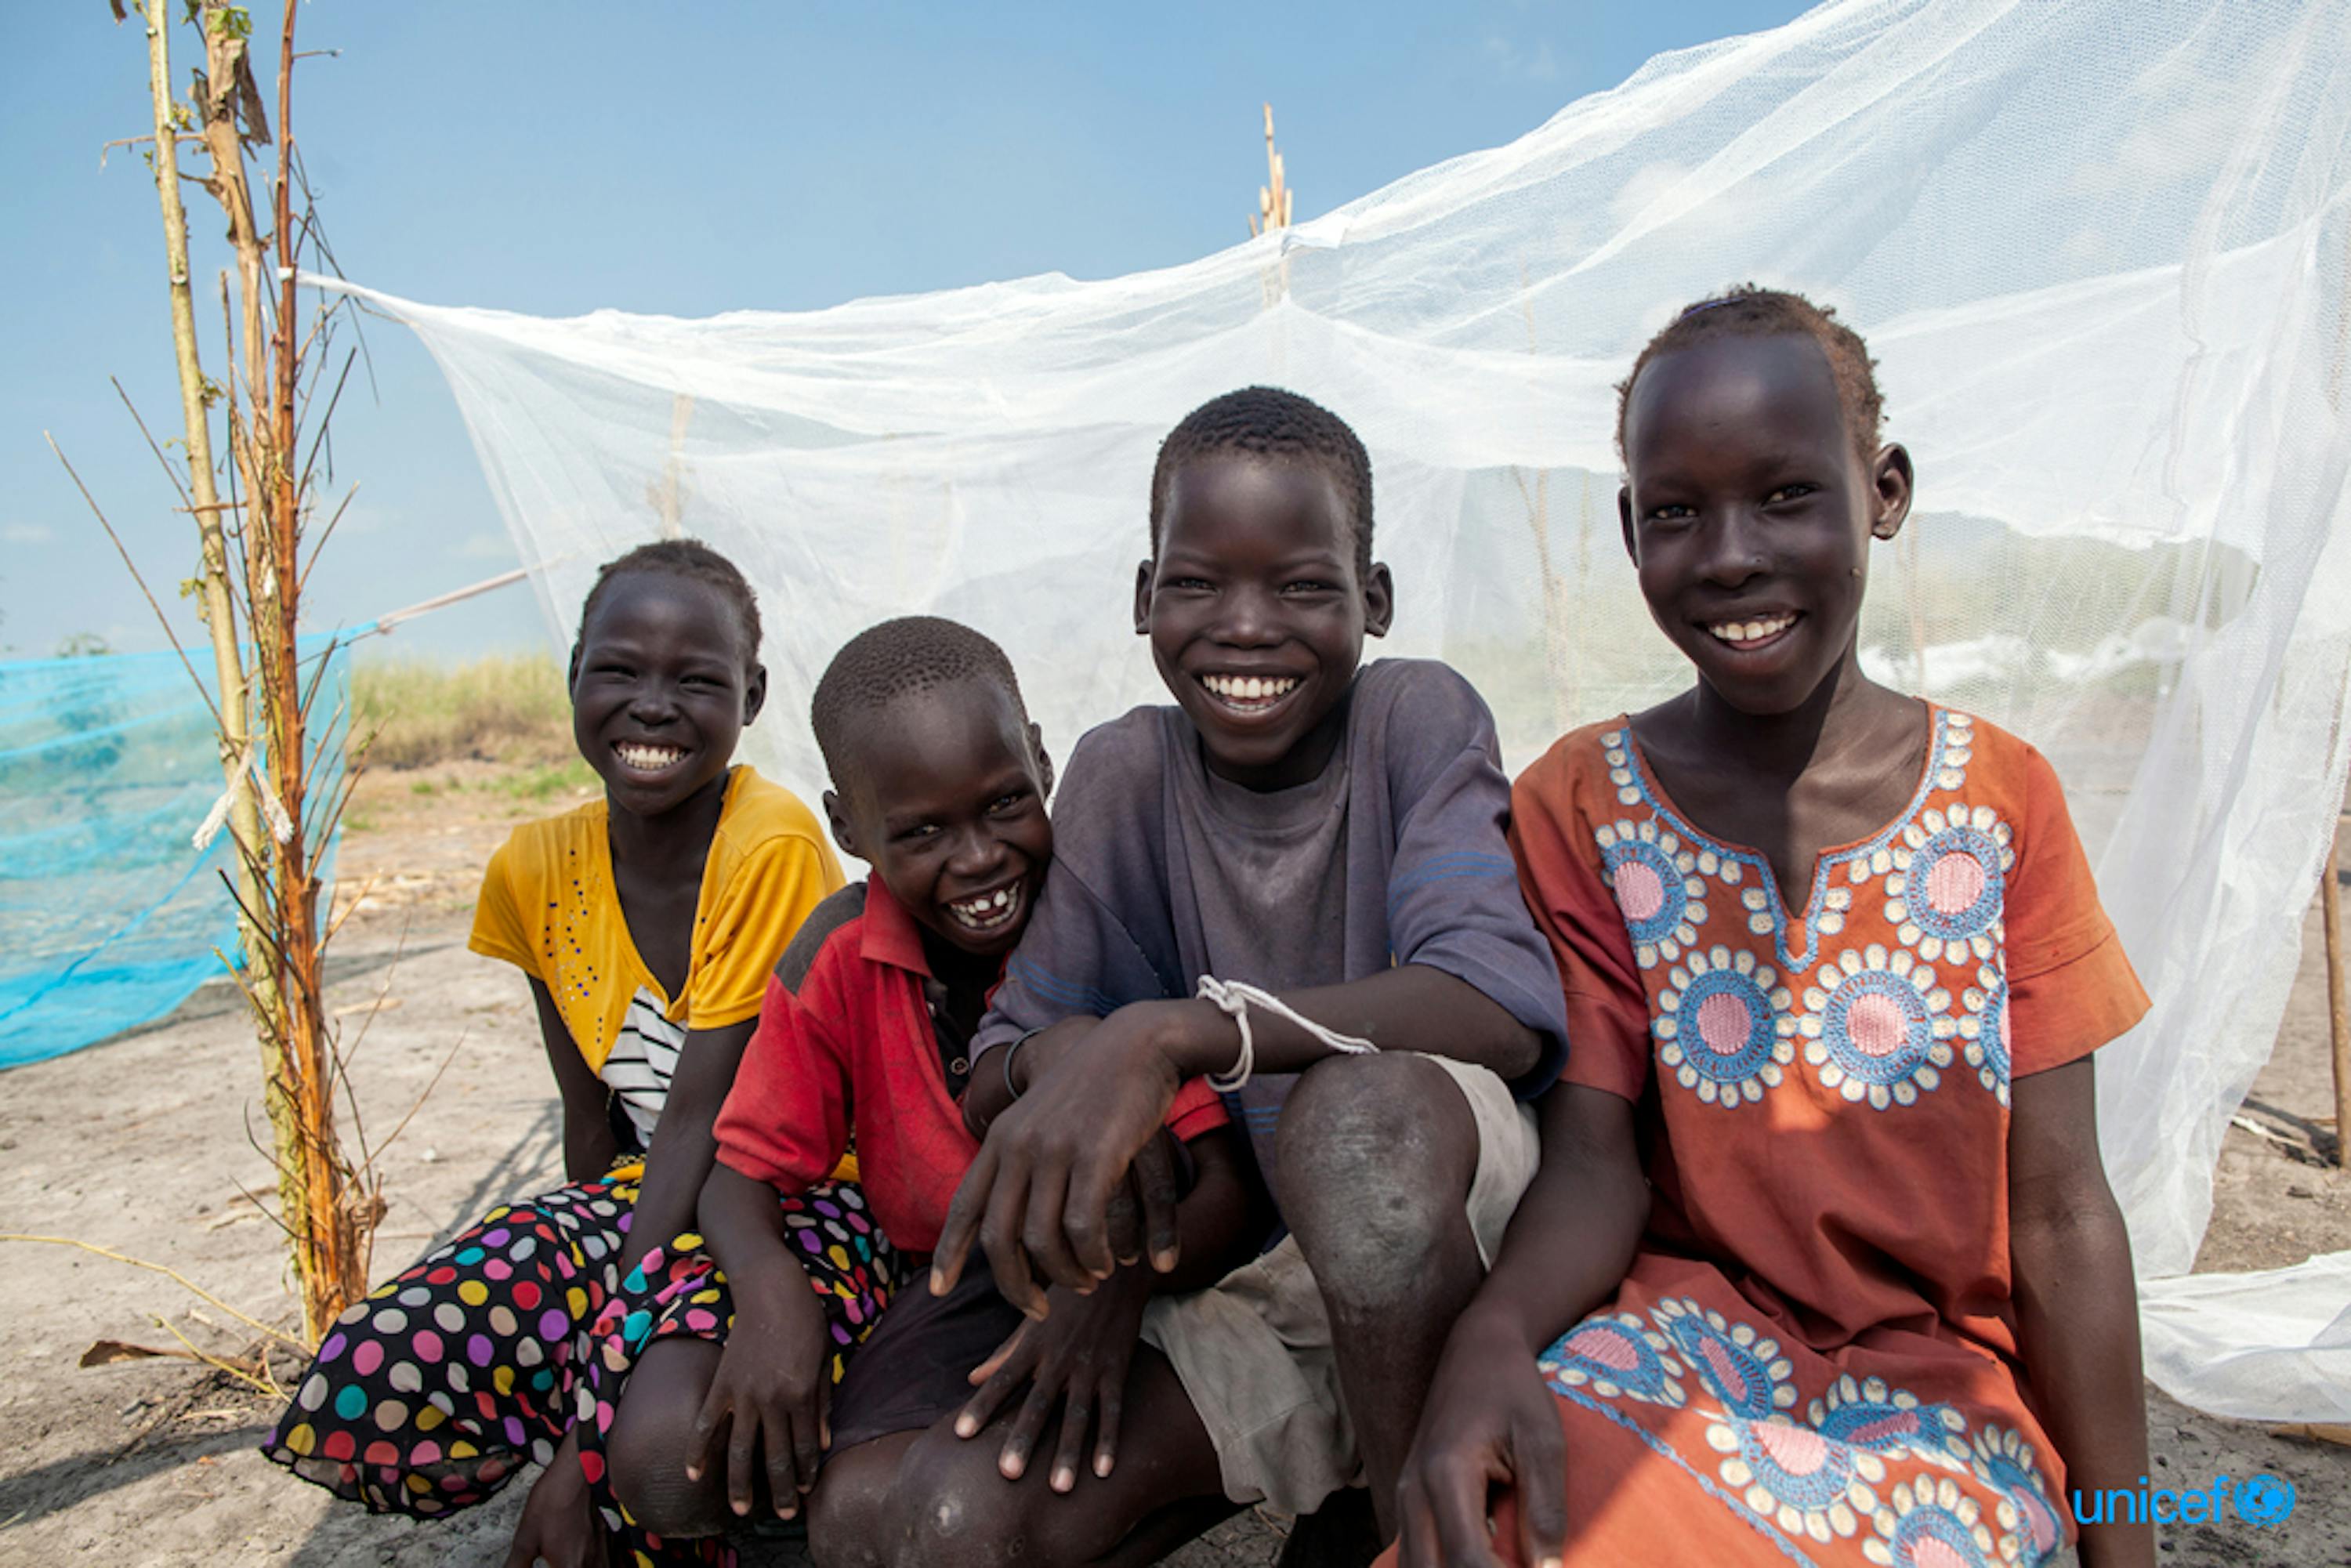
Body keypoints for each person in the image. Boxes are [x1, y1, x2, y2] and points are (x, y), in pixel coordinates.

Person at [1392, 287, 2154, 1568]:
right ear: (1631, 530)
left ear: (1887, 493)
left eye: (1787, 494)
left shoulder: (2003, 801)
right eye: (1677, 512)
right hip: (1680, 1338)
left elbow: (2067, 1214)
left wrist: (2126, 1542)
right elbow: (1594, 1156)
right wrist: (1492, 1339)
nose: (1731, 554)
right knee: (1501, 1524)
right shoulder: (1584, 803)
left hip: (1941, 1396)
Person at [911, 386, 1572, 1564]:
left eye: (1302, 586)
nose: (1247, 627)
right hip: (1268, 1280)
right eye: (1198, 583)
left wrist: (1180, 1033)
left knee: (1359, 1129)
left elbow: (1496, 1008)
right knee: (938, 1519)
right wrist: (1086, 1084)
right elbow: (1001, 1064)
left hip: (1450, 1246)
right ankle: (1342, 1490)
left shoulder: (1413, 718)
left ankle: (1393, 1522)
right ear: (1143, 597)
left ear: (1372, 599)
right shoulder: (1126, 772)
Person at [586, 617, 1250, 1568]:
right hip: (959, 1280)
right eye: (923, 831)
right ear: (849, 828)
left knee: (942, 1513)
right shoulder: (841, 956)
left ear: (1044, 765)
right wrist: (777, 1299)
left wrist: (1117, 1289)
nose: (979, 859)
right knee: (749, 1485)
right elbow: (743, 1172)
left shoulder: (1105, 919)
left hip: (1140, 1273)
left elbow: (1223, 1186)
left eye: (1005, 805)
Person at [259, 540, 846, 1568]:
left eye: (696, 680)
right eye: (619, 670)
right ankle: (610, 1466)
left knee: (653, 1443)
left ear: (750, 696)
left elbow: (704, 1127)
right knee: (371, 1371)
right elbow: (597, 1122)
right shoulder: (531, 871)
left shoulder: (771, 844)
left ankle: (637, 1485)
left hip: (791, 1203)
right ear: (573, 674)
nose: (652, 706)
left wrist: (585, 1419)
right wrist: (591, 1312)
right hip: (646, 1197)